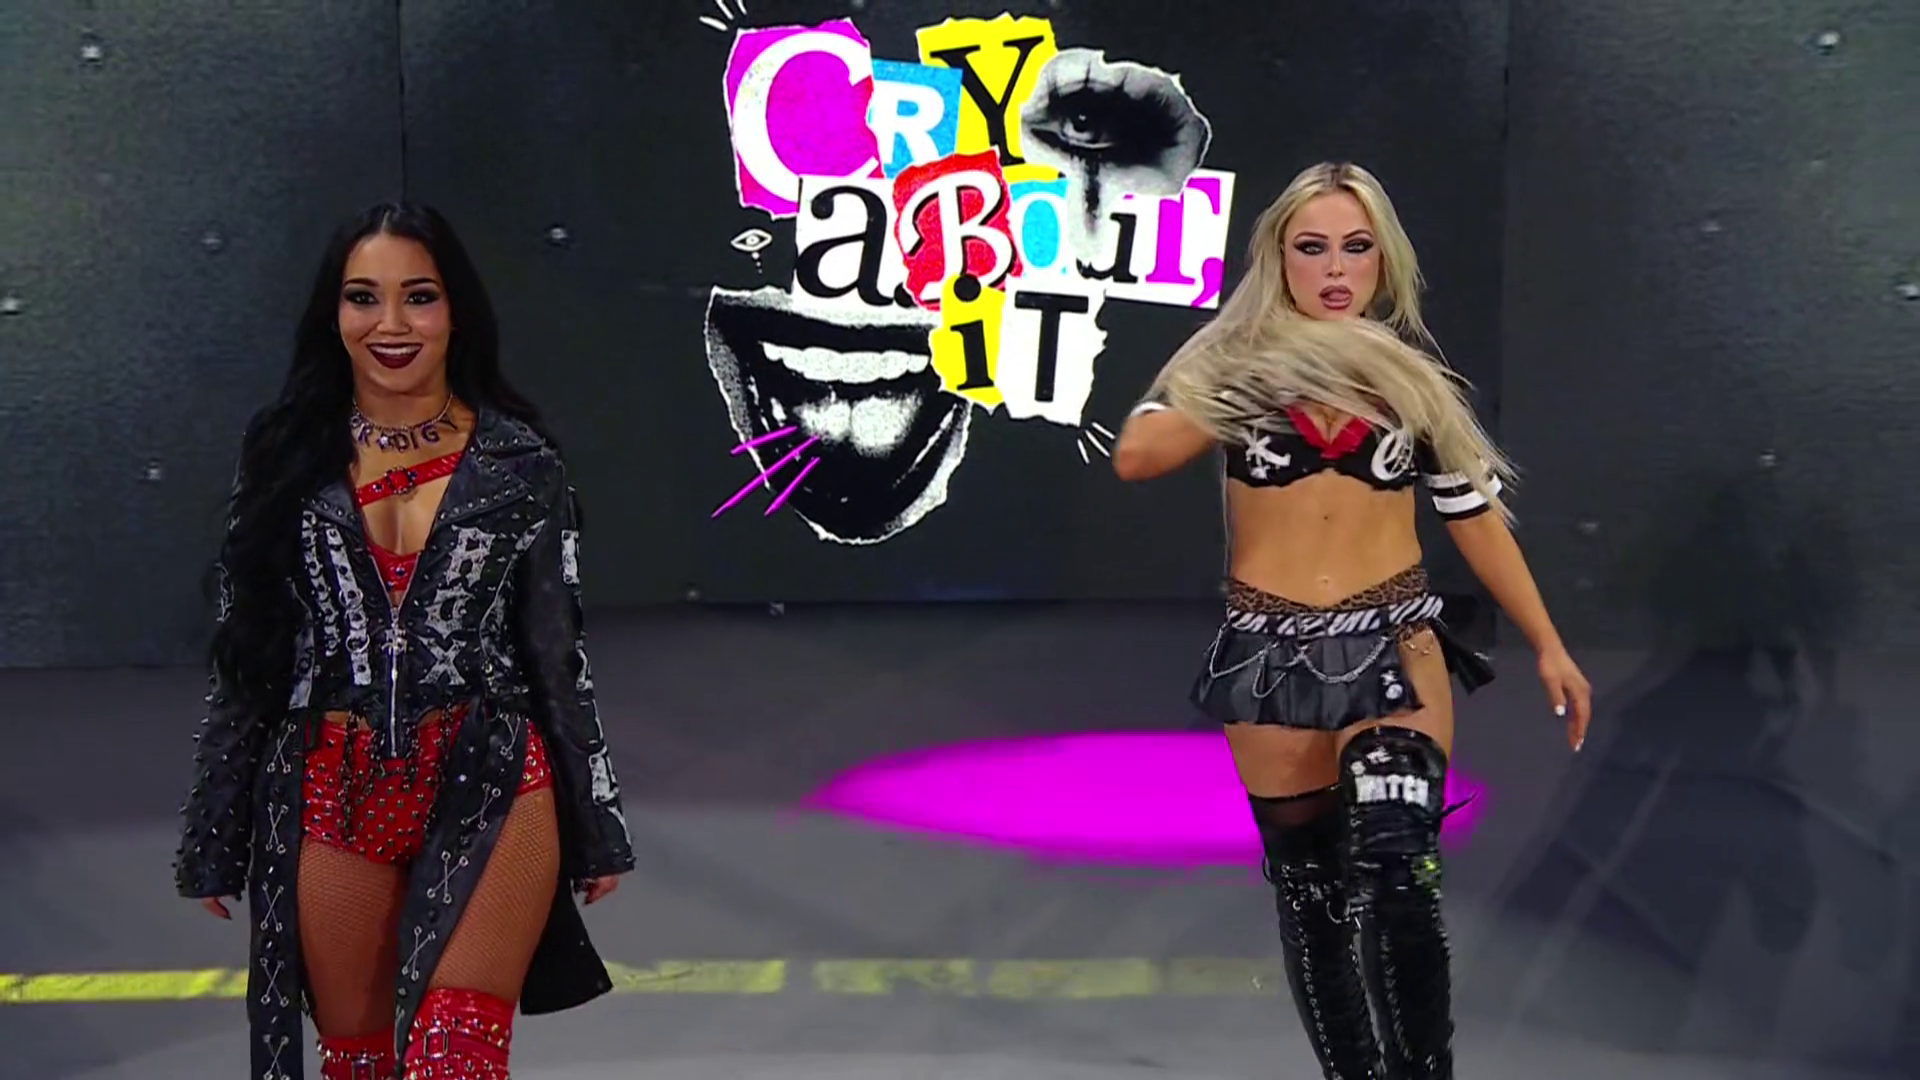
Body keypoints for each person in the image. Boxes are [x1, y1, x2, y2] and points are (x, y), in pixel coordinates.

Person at [1112, 162, 1592, 1079]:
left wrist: (1548, 643)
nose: (1336, 268)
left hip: (1394, 643)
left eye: (1356, 247)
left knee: (1400, 872)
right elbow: (1138, 455)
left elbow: (1473, 515)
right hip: (1267, 654)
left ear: (1383, 260)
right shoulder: (1229, 362)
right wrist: (1243, 368)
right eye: (1313, 247)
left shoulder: (1411, 381)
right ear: (1279, 258)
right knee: (1314, 899)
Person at [172, 202, 637, 1080]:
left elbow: (557, 652)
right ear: (333, 314)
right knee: (361, 1063)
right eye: (363, 297)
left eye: (419, 297)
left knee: (455, 1059)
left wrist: (595, 825)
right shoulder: (284, 455)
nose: (390, 324)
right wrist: (214, 832)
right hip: (329, 785)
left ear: (456, 311)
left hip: (493, 774)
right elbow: (249, 650)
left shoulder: (520, 463)